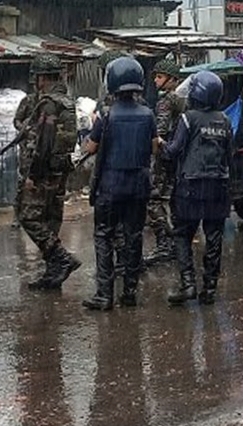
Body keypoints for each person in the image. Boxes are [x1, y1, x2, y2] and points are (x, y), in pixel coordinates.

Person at [82, 57, 157, 311]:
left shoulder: (106, 115)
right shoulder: (148, 115)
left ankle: (104, 295)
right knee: (133, 236)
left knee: (104, 236)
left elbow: (90, 148)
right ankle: (129, 291)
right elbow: (155, 147)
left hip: (110, 186)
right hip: (138, 186)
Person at [163, 71, 233, 306]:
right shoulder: (225, 120)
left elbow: (173, 150)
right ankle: (209, 288)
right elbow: (229, 155)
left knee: (182, 234)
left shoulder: (188, 118)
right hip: (219, 184)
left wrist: (159, 145)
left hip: (190, 185)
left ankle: (188, 284)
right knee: (214, 237)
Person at [15, 54, 82, 291]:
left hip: (44, 172)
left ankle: (61, 259)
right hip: (59, 170)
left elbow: (43, 144)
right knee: (51, 219)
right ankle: (53, 271)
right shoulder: (66, 101)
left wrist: (33, 176)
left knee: (28, 216)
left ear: (42, 77)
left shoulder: (48, 103)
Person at [144, 56, 187, 267]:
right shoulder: (183, 99)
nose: (155, 81)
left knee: (154, 200)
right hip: (178, 156)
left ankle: (165, 244)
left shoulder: (166, 101)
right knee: (172, 200)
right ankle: (177, 242)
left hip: (163, 156)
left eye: (159, 77)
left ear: (172, 79)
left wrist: (152, 149)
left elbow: (159, 132)